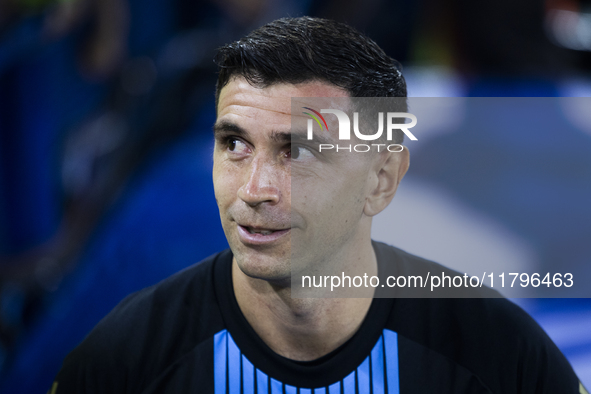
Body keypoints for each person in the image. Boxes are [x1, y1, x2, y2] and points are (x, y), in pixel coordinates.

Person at [51, 16, 588, 394]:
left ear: (383, 180)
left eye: (299, 152)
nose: (255, 188)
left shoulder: (497, 346)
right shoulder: (127, 350)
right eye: (234, 144)